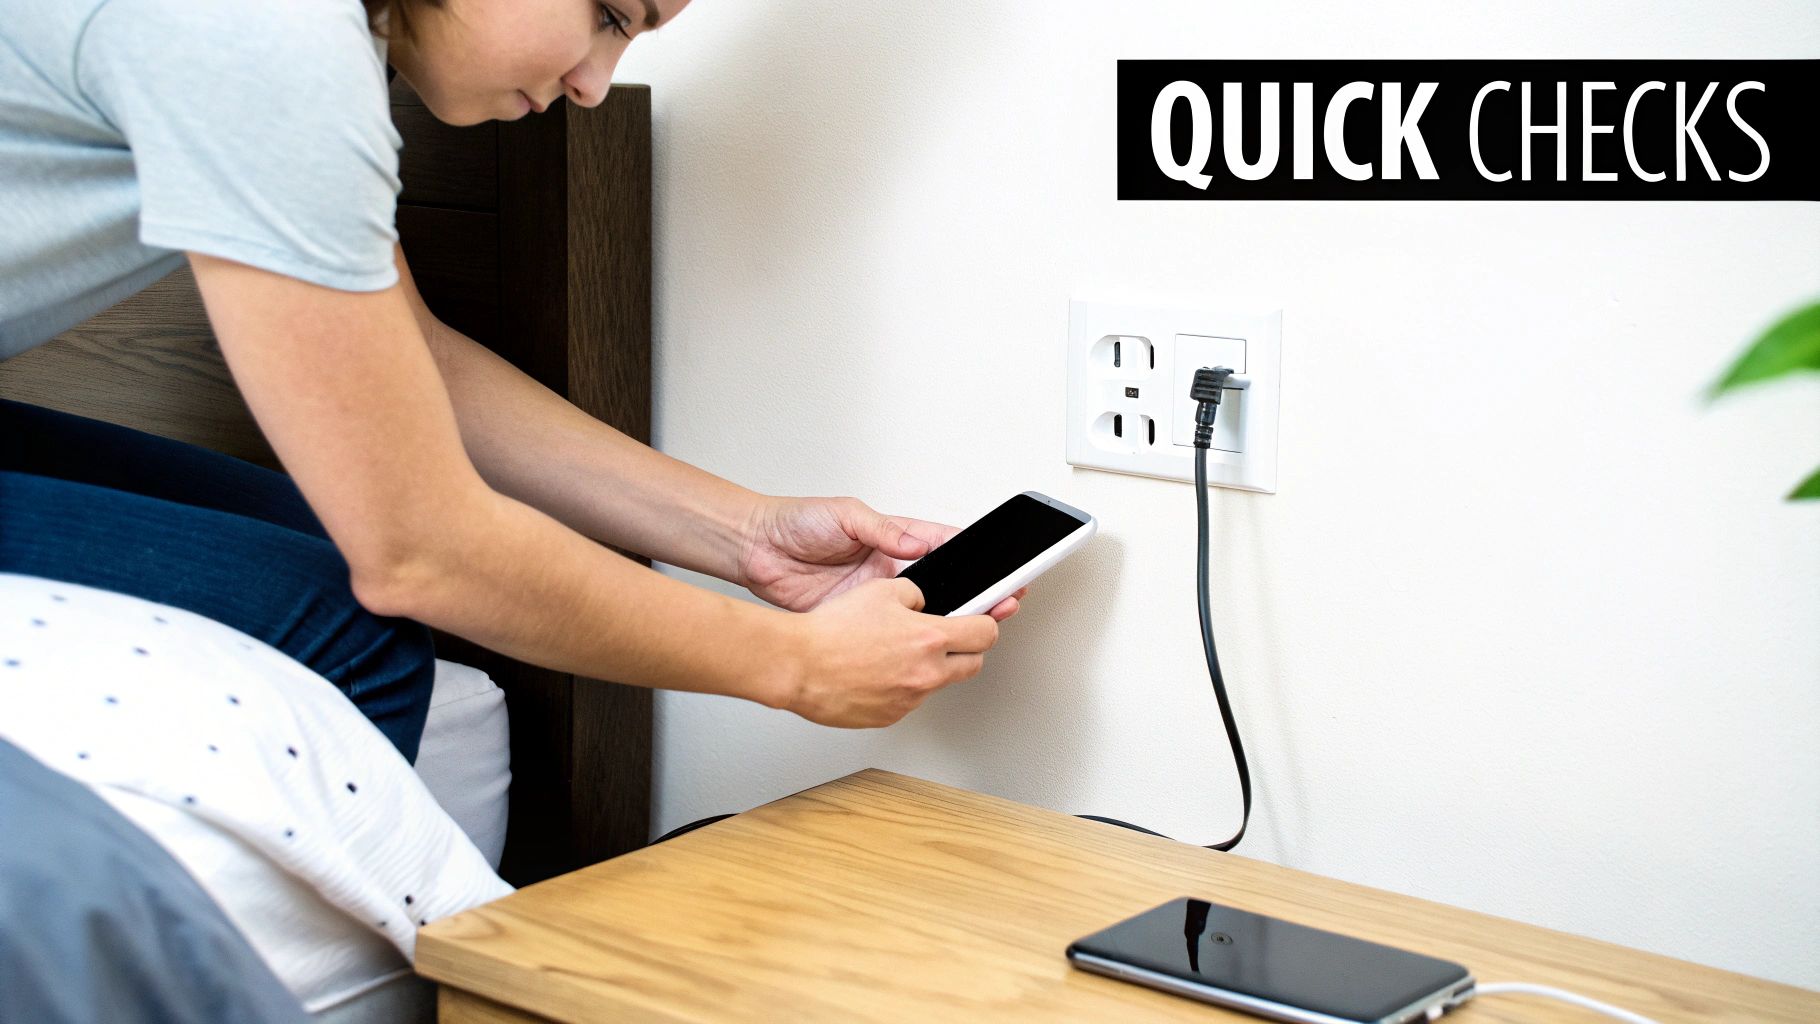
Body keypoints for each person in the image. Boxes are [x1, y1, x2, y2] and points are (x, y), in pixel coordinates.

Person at [0, 0, 1021, 764]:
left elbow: (416, 365)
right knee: (352, 634)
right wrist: (791, 666)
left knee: (307, 543)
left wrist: (746, 537)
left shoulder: (307, 39)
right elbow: (416, 552)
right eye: (607, 15)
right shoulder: (268, 43)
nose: (592, 80)